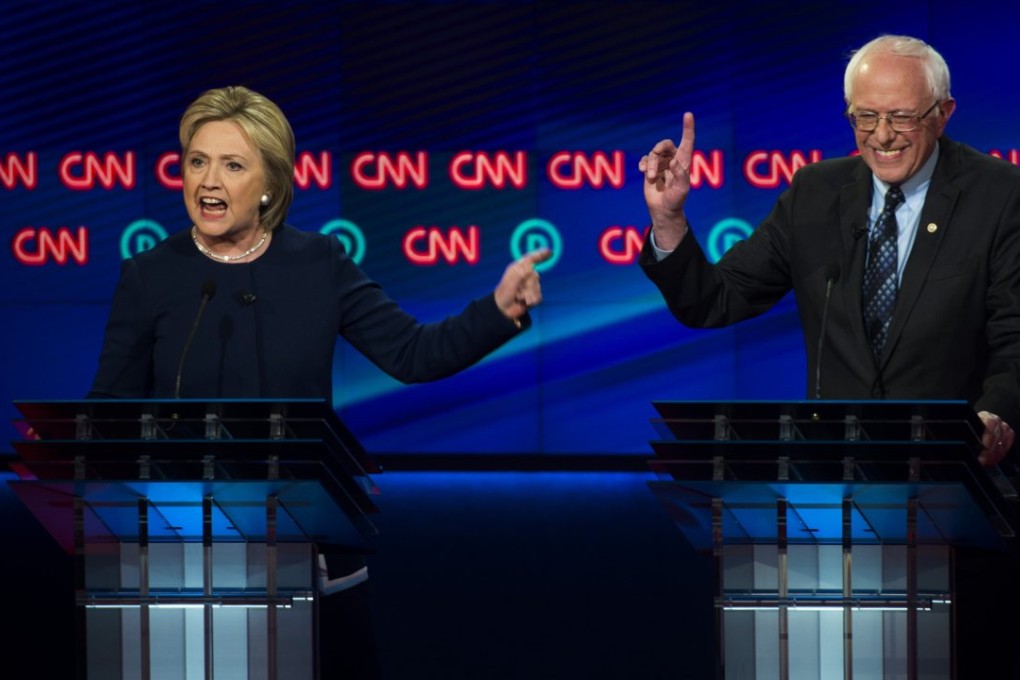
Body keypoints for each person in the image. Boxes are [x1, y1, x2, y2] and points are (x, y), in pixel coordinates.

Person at [88, 85, 551, 678]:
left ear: (270, 185)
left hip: (308, 549)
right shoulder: (150, 276)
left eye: (232, 165)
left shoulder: (318, 263)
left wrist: (497, 308)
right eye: (197, 161)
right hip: (187, 555)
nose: (208, 180)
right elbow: (105, 418)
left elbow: (413, 353)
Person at [639, 34, 1020, 677]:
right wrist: (670, 223)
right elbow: (716, 301)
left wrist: (997, 414)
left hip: (958, 505)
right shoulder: (816, 192)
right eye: (865, 117)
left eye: (901, 116)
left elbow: (1015, 333)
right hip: (831, 510)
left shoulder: (998, 193)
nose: (883, 136)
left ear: (943, 113)